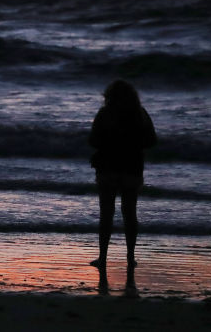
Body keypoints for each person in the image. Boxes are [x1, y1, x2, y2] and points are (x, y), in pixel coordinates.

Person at [88, 79, 157, 292]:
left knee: (106, 214)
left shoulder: (104, 114)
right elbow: (152, 140)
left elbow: (93, 140)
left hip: (108, 168)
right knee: (130, 213)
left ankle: (102, 257)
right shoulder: (140, 113)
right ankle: (130, 258)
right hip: (132, 168)